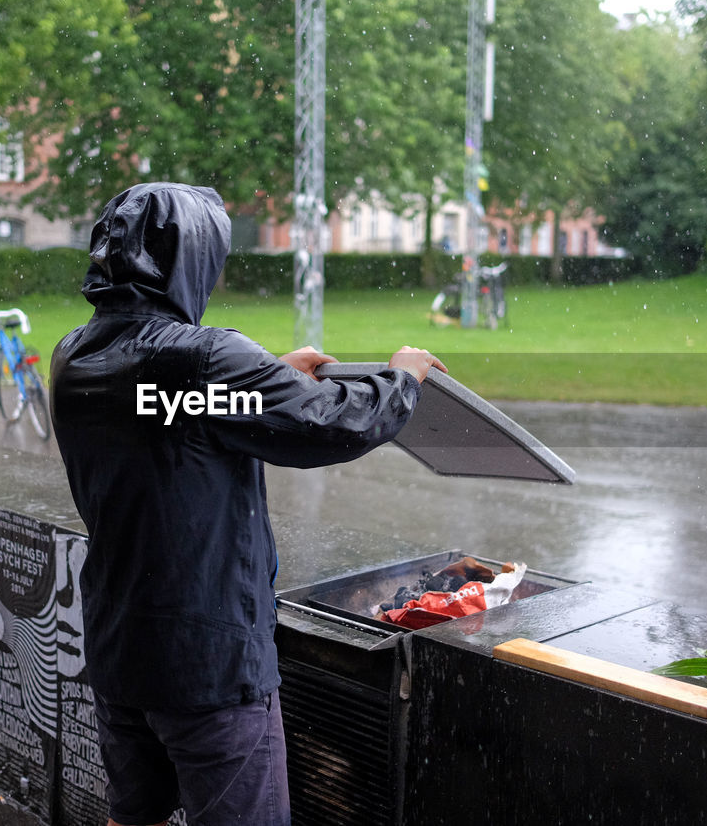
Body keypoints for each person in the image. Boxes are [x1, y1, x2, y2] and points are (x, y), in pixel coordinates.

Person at [49, 182, 445, 826]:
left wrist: (268, 376)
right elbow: (333, 425)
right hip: (211, 665)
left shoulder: (75, 355)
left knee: (134, 816)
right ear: (189, 260)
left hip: (121, 648)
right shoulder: (205, 358)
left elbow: (166, 413)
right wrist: (400, 377)